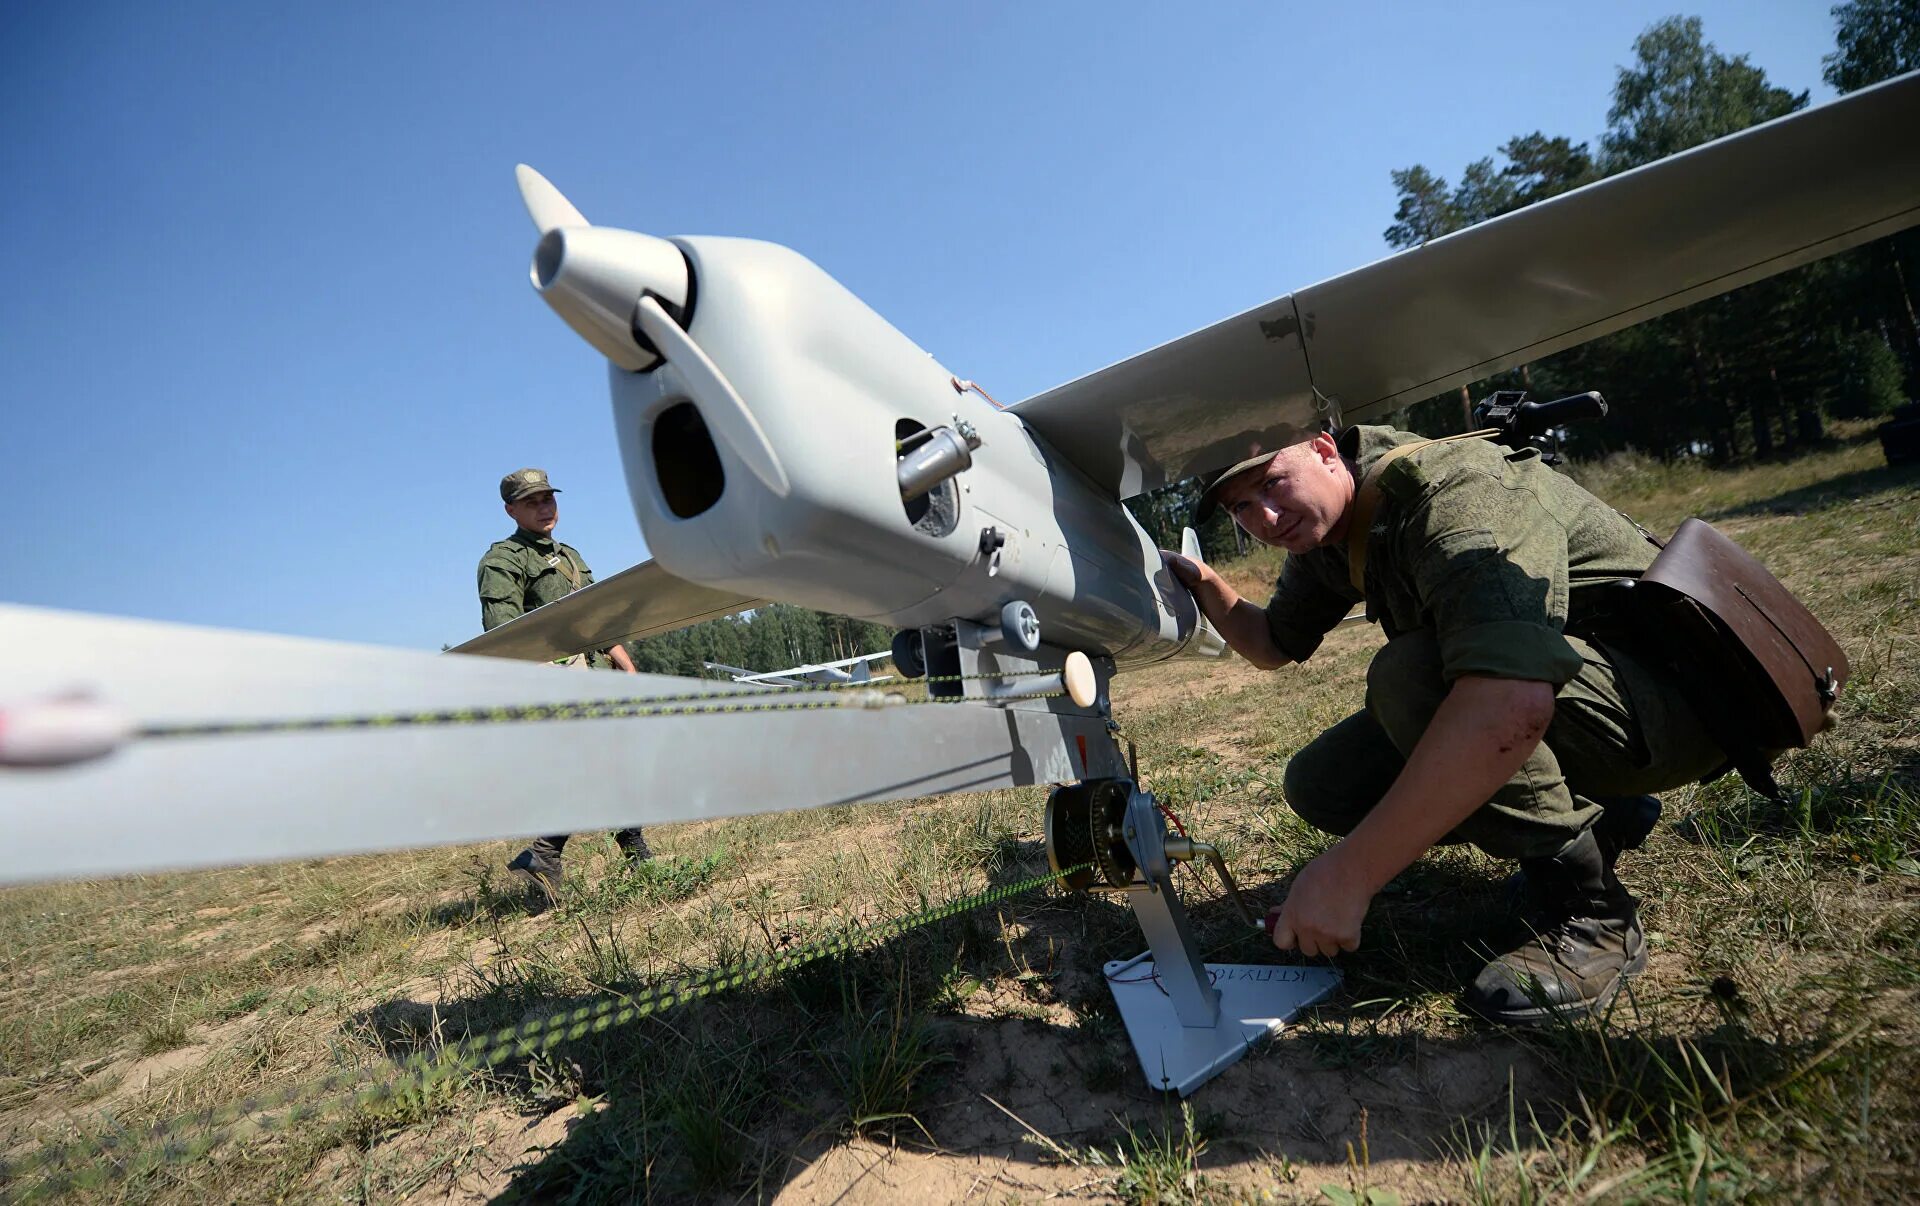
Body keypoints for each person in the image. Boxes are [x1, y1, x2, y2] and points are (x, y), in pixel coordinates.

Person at [1163, 424, 1726, 1024]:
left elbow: (1507, 703)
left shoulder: (1456, 492)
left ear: (1327, 450)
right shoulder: (1331, 527)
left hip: (1684, 708)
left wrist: (1349, 875)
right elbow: (1274, 641)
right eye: (1242, 508)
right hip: (1598, 703)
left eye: (1273, 485)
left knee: (1411, 675)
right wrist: (1201, 583)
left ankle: (1593, 914)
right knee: (1324, 783)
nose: (1267, 519)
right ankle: (1605, 809)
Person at [479, 467, 652, 895]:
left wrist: (624, 663)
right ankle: (621, 855)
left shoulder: (571, 556)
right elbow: (505, 634)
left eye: (548, 499)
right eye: (531, 501)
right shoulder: (503, 561)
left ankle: (547, 855)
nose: (544, 507)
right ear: (510, 509)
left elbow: (595, 620)